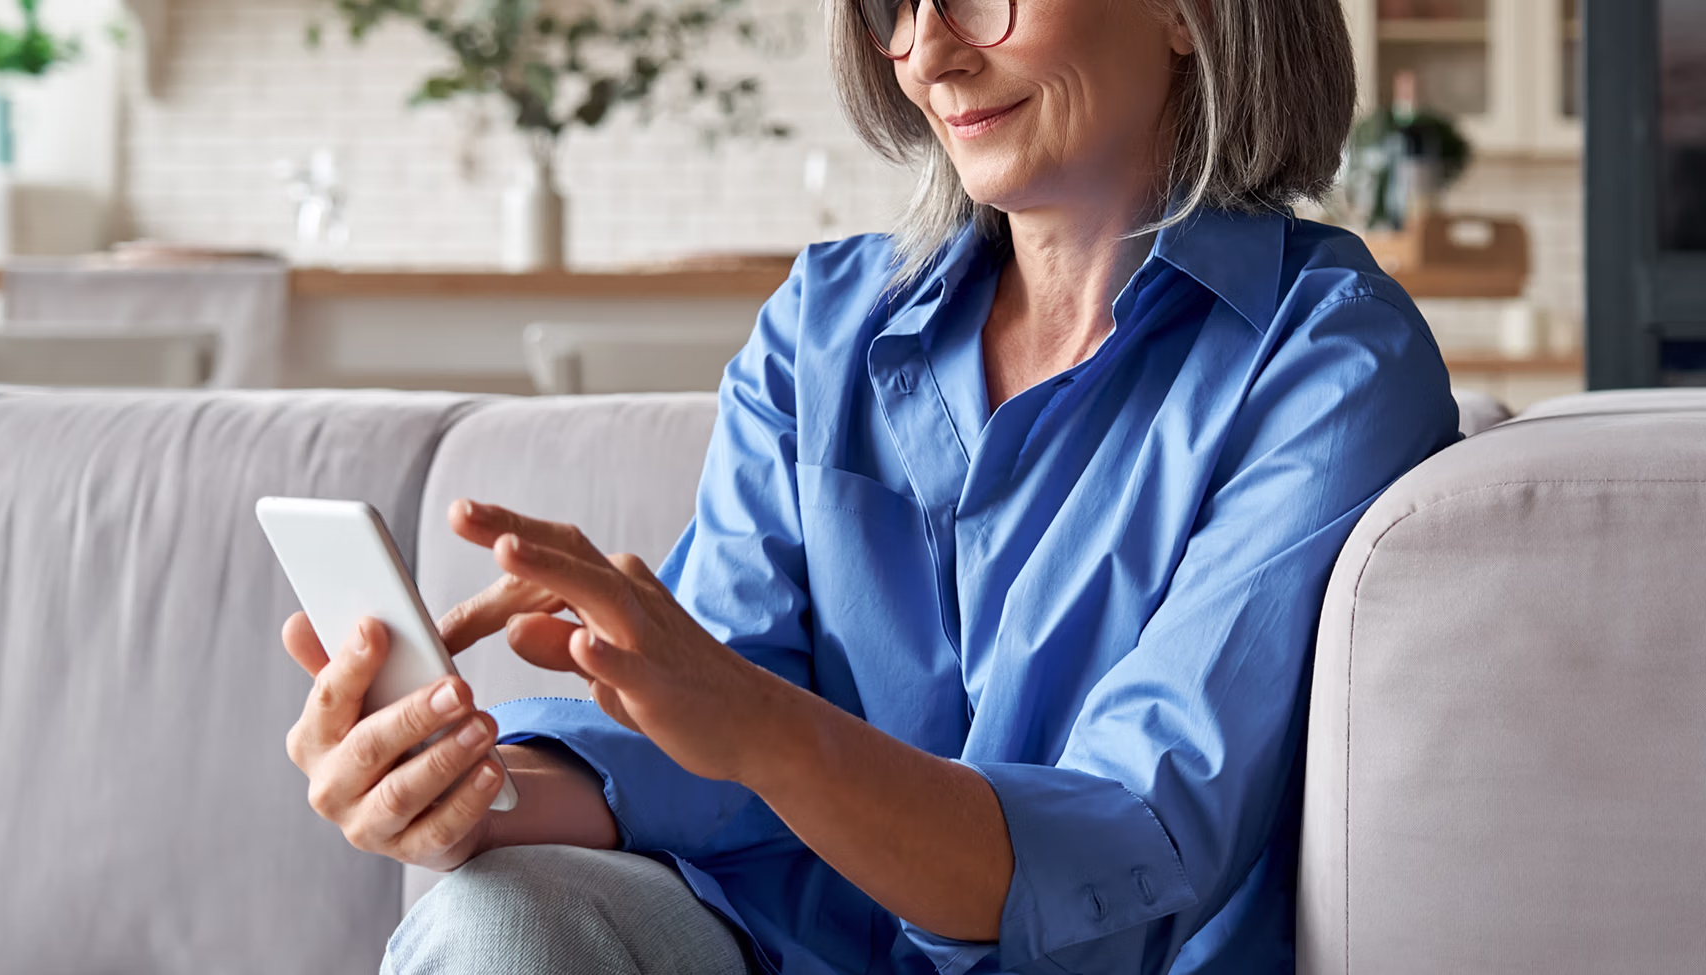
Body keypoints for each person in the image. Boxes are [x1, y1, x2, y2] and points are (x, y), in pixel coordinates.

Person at [279, 0, 1461, 971]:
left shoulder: (1325, 364)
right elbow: (709, 762)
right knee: (494, 915)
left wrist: (753, 726)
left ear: (1184, 15)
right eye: (893, 6)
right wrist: (461, 782)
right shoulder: (826, 325)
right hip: (774, 951)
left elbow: (1133, 845)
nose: (930, 52)